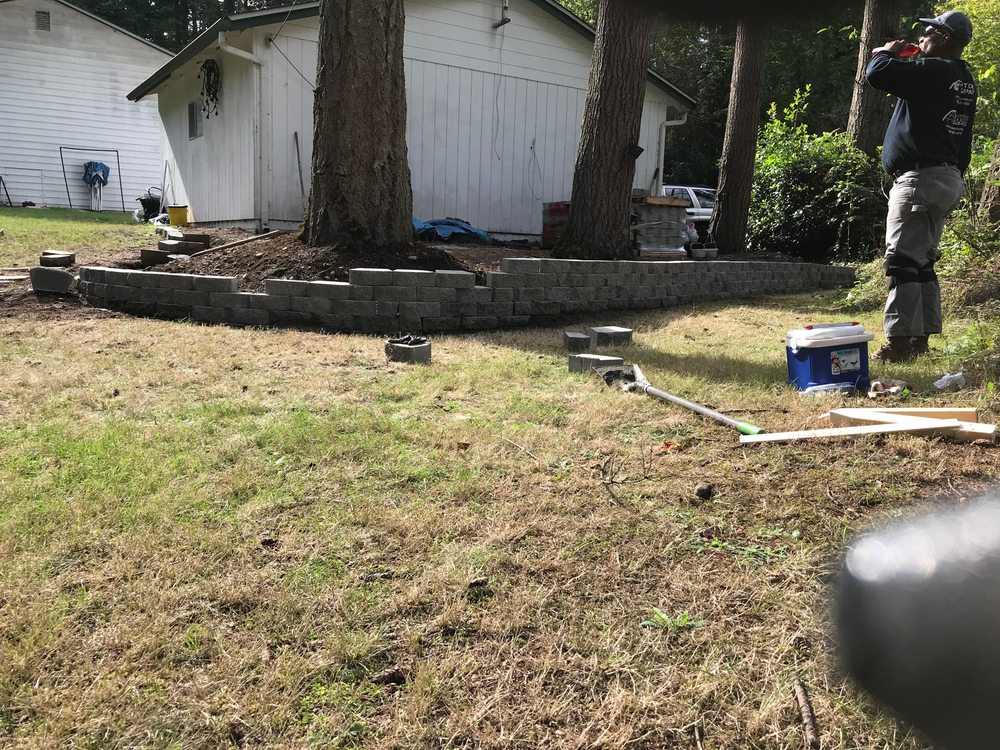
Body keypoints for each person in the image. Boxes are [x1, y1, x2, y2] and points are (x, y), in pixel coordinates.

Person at [865, 11, 977, 362]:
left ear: (943, 39)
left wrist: (887, 50)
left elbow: (877, 74)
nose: (922, 36)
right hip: (945, 178)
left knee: (900, 262)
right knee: (922, 262)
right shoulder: (962, 78)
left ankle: (899, 342)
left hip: (920, 179)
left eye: (928, 31)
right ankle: (922, 337)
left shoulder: (934, 70)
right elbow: (964, 141)